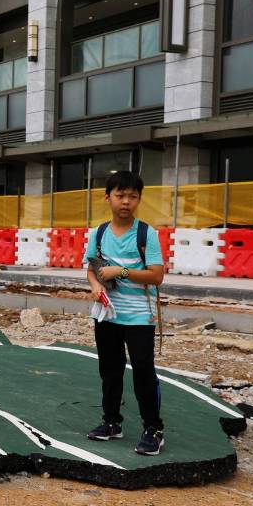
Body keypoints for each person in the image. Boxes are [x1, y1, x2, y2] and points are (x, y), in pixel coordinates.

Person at [84, 170, 166, 456]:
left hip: (140, 316)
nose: (126, 202)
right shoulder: (99, 233)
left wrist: (122, 271)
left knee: (143, 371)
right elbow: (91, 269)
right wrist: (95, 286)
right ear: (108, 198)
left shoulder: (146, 233)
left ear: (139, 199)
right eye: (120, 195)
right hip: (107, 314)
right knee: (110, 370)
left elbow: (157, 276)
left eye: (132, 196)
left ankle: (153, 429)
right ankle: (111, 422)